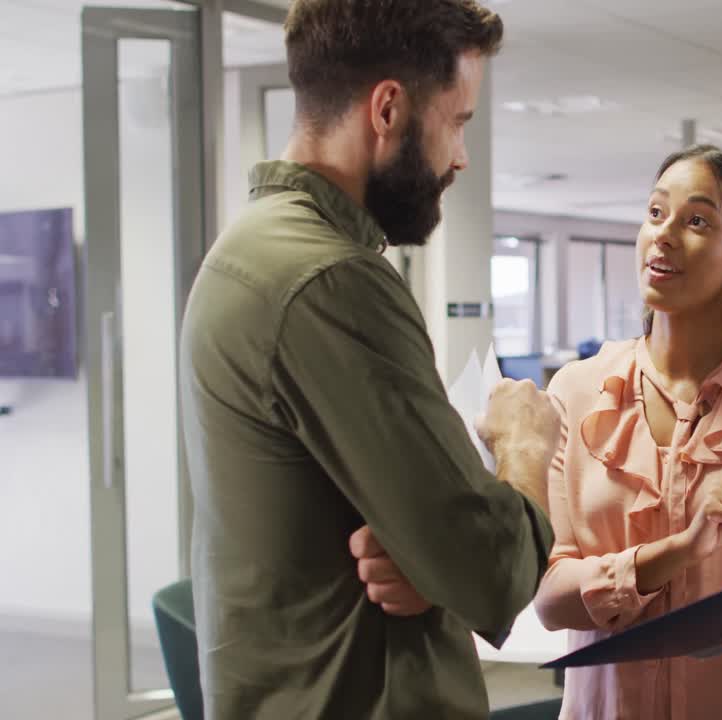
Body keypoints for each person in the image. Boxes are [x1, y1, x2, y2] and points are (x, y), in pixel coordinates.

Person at [352, 146, 722, 718]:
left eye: (697, 221)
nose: (664, 235)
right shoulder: (578, 391)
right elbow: (550, 598)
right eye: (656, 213)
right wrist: (680, 550)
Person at [177, 1, 558, 718]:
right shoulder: (331, 280)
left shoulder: (248, 251)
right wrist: (527, 447)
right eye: (457, 122)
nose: (460, 157)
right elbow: (490, 572)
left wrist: (427, 553)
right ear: (388, 109)